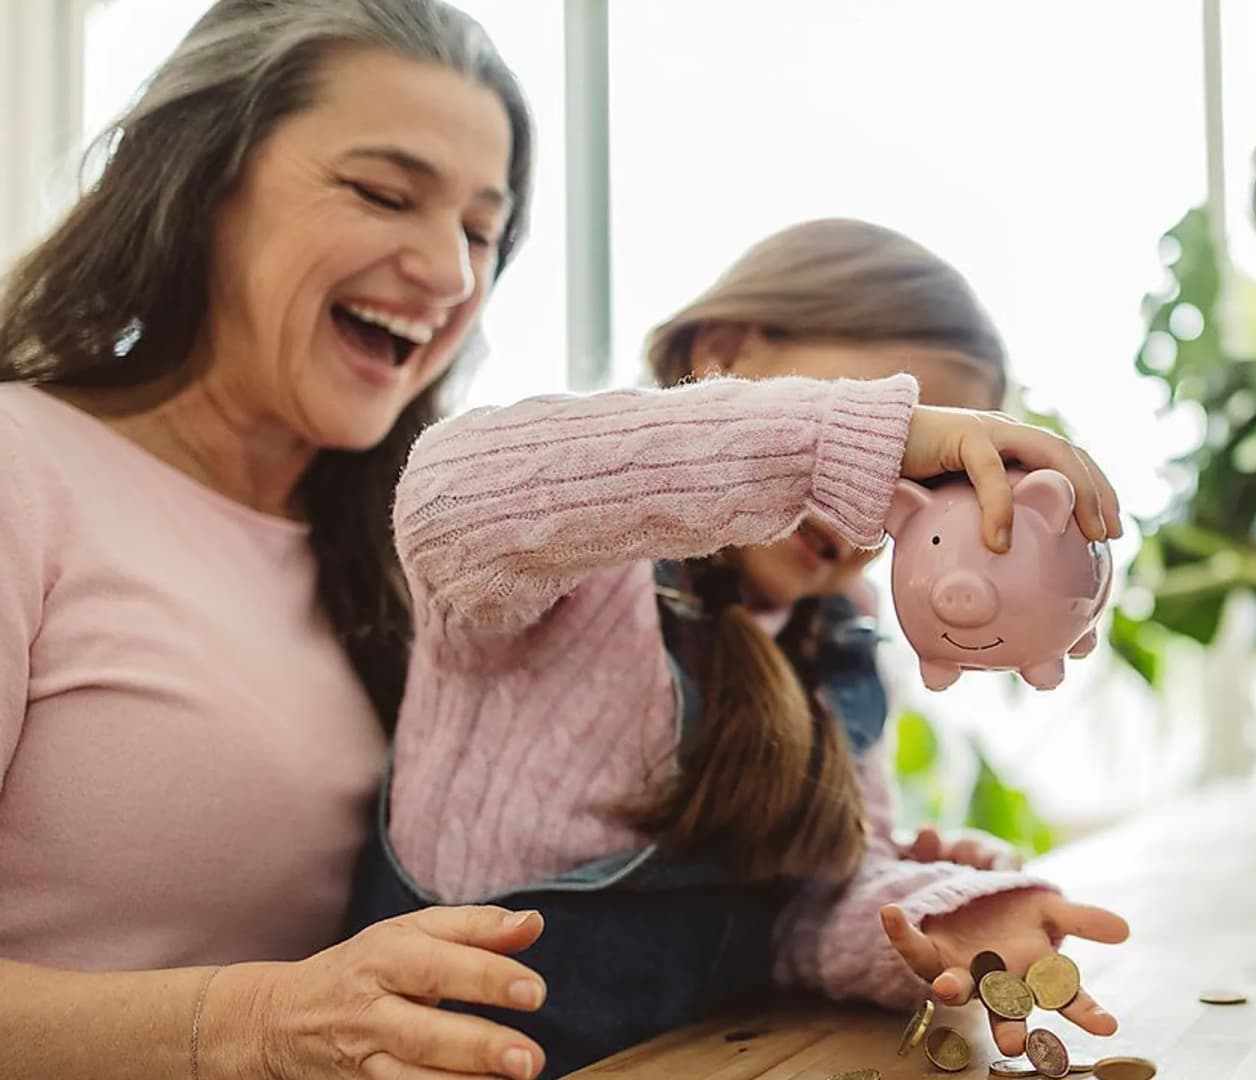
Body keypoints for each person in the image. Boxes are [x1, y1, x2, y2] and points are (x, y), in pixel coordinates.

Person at [350, 219, 1132, 1075]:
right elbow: (449, 493)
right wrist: (848, 445)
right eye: (894, 437)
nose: (878, 501)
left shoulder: (836, 650)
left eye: (926, 477)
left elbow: (807, 912)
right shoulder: (568, 572)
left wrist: (937, 916)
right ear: (722, 353)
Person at [0, 2, 562, 1076]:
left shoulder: (399, 563)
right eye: (383, 194)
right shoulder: (21, 471)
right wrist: (254, 1026)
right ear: (203, 184)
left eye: (482, 232)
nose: (449, 273)